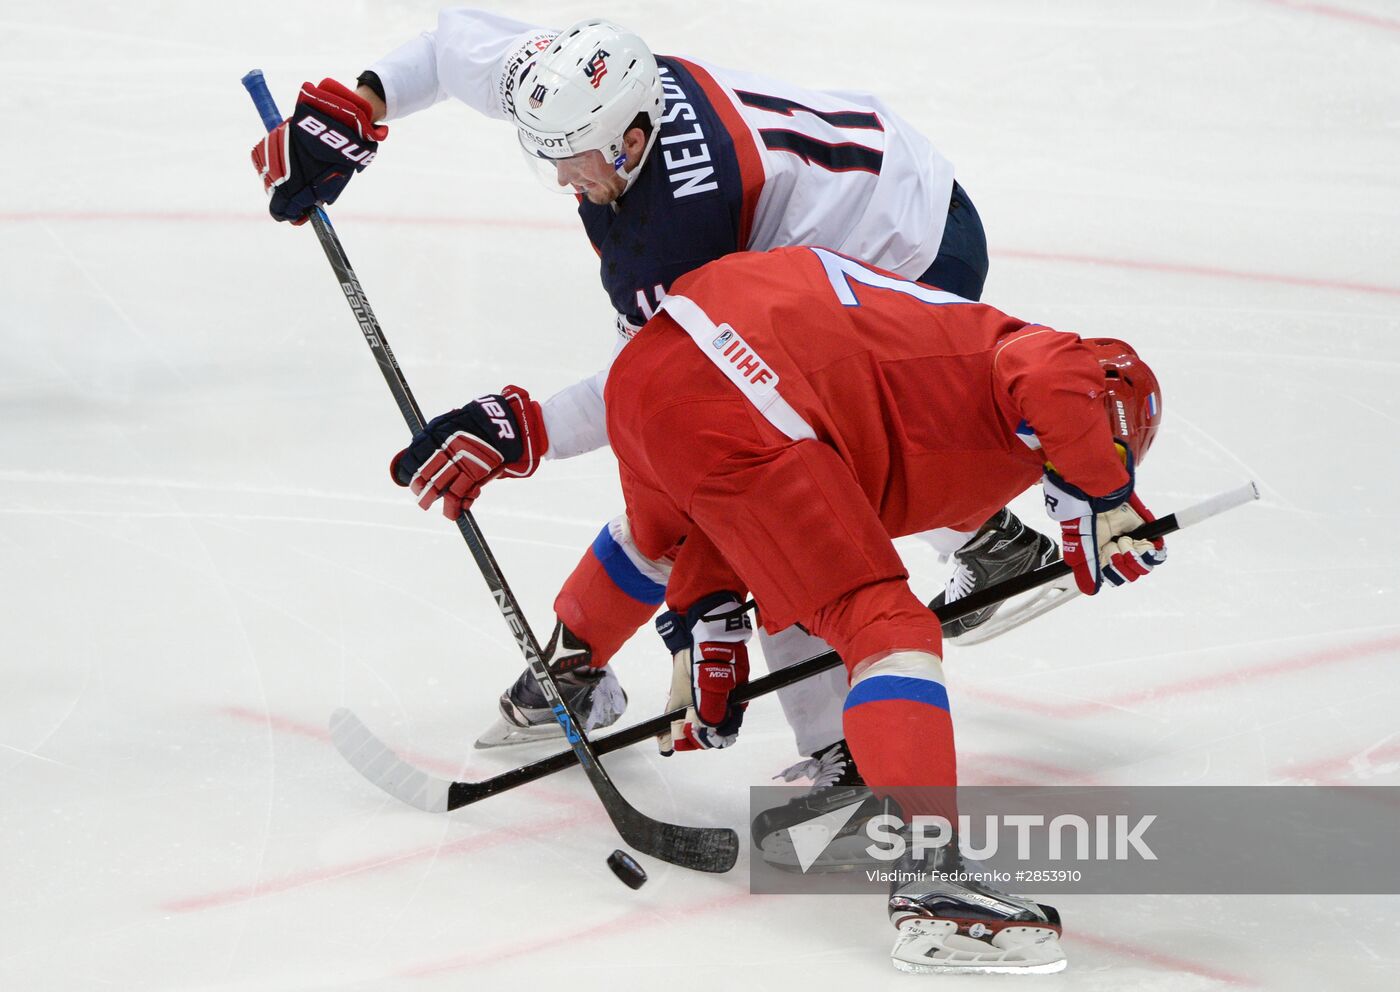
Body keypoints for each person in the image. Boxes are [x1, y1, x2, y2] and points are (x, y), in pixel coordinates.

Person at [249, 10, 1056, 821]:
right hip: (869, 185)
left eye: (574, 161)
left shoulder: (678, 230)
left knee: (778, 503)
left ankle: (845, 743)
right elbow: (449, 45)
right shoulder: (578, 90)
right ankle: (983, 540)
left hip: (903, 251)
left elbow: (659, 401)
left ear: (633, 139)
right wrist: (358, 109)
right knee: (724, 477)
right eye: (549, 158)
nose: (563, 180)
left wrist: (523, 428)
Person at [604, 245, 1161, 972]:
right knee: (890, 629)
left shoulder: (933, 403)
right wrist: (1105, 493)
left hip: (658, 378)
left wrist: (703, 616)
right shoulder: (1041, 361)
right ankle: (935, 884)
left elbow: (740, 503)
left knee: (821, 578)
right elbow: (1053, 371)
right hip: (741, 376)